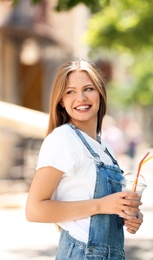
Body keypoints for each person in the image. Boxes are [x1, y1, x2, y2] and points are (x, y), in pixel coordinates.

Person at [25, 58, 143, 260]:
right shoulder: (63, 139)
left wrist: (128, 215)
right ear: (61, 100)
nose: (81, 97)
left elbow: (106, 208)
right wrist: (101, 205)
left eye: (88, 89)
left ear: (100, 93)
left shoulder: (105, 148)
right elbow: (34, 210)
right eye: (70, 91)